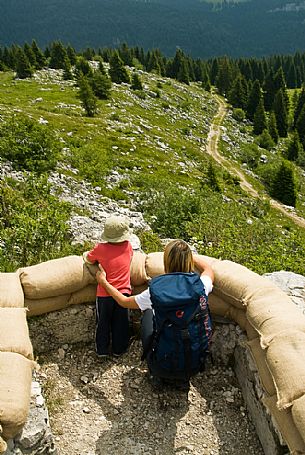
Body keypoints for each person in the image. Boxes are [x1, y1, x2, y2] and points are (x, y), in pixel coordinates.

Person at [96, 239, 214, 387]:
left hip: (162, 364)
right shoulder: (201, 285)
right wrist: (187, 255)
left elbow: (123, 302)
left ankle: (157, 373)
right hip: (194, 364)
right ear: (189, 260)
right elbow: (208, 269)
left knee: (148, 312)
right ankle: (182, 379)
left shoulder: (155, 292)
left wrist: (104, 282)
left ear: (166, 262)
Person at [83, 215, 133, 358]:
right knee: (121, 323)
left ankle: (102, 350)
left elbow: (88, 258)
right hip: (123, 293)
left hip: (104, 294)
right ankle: (119, 349)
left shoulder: (100, 248)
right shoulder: (128, 247)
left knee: (103, 323)